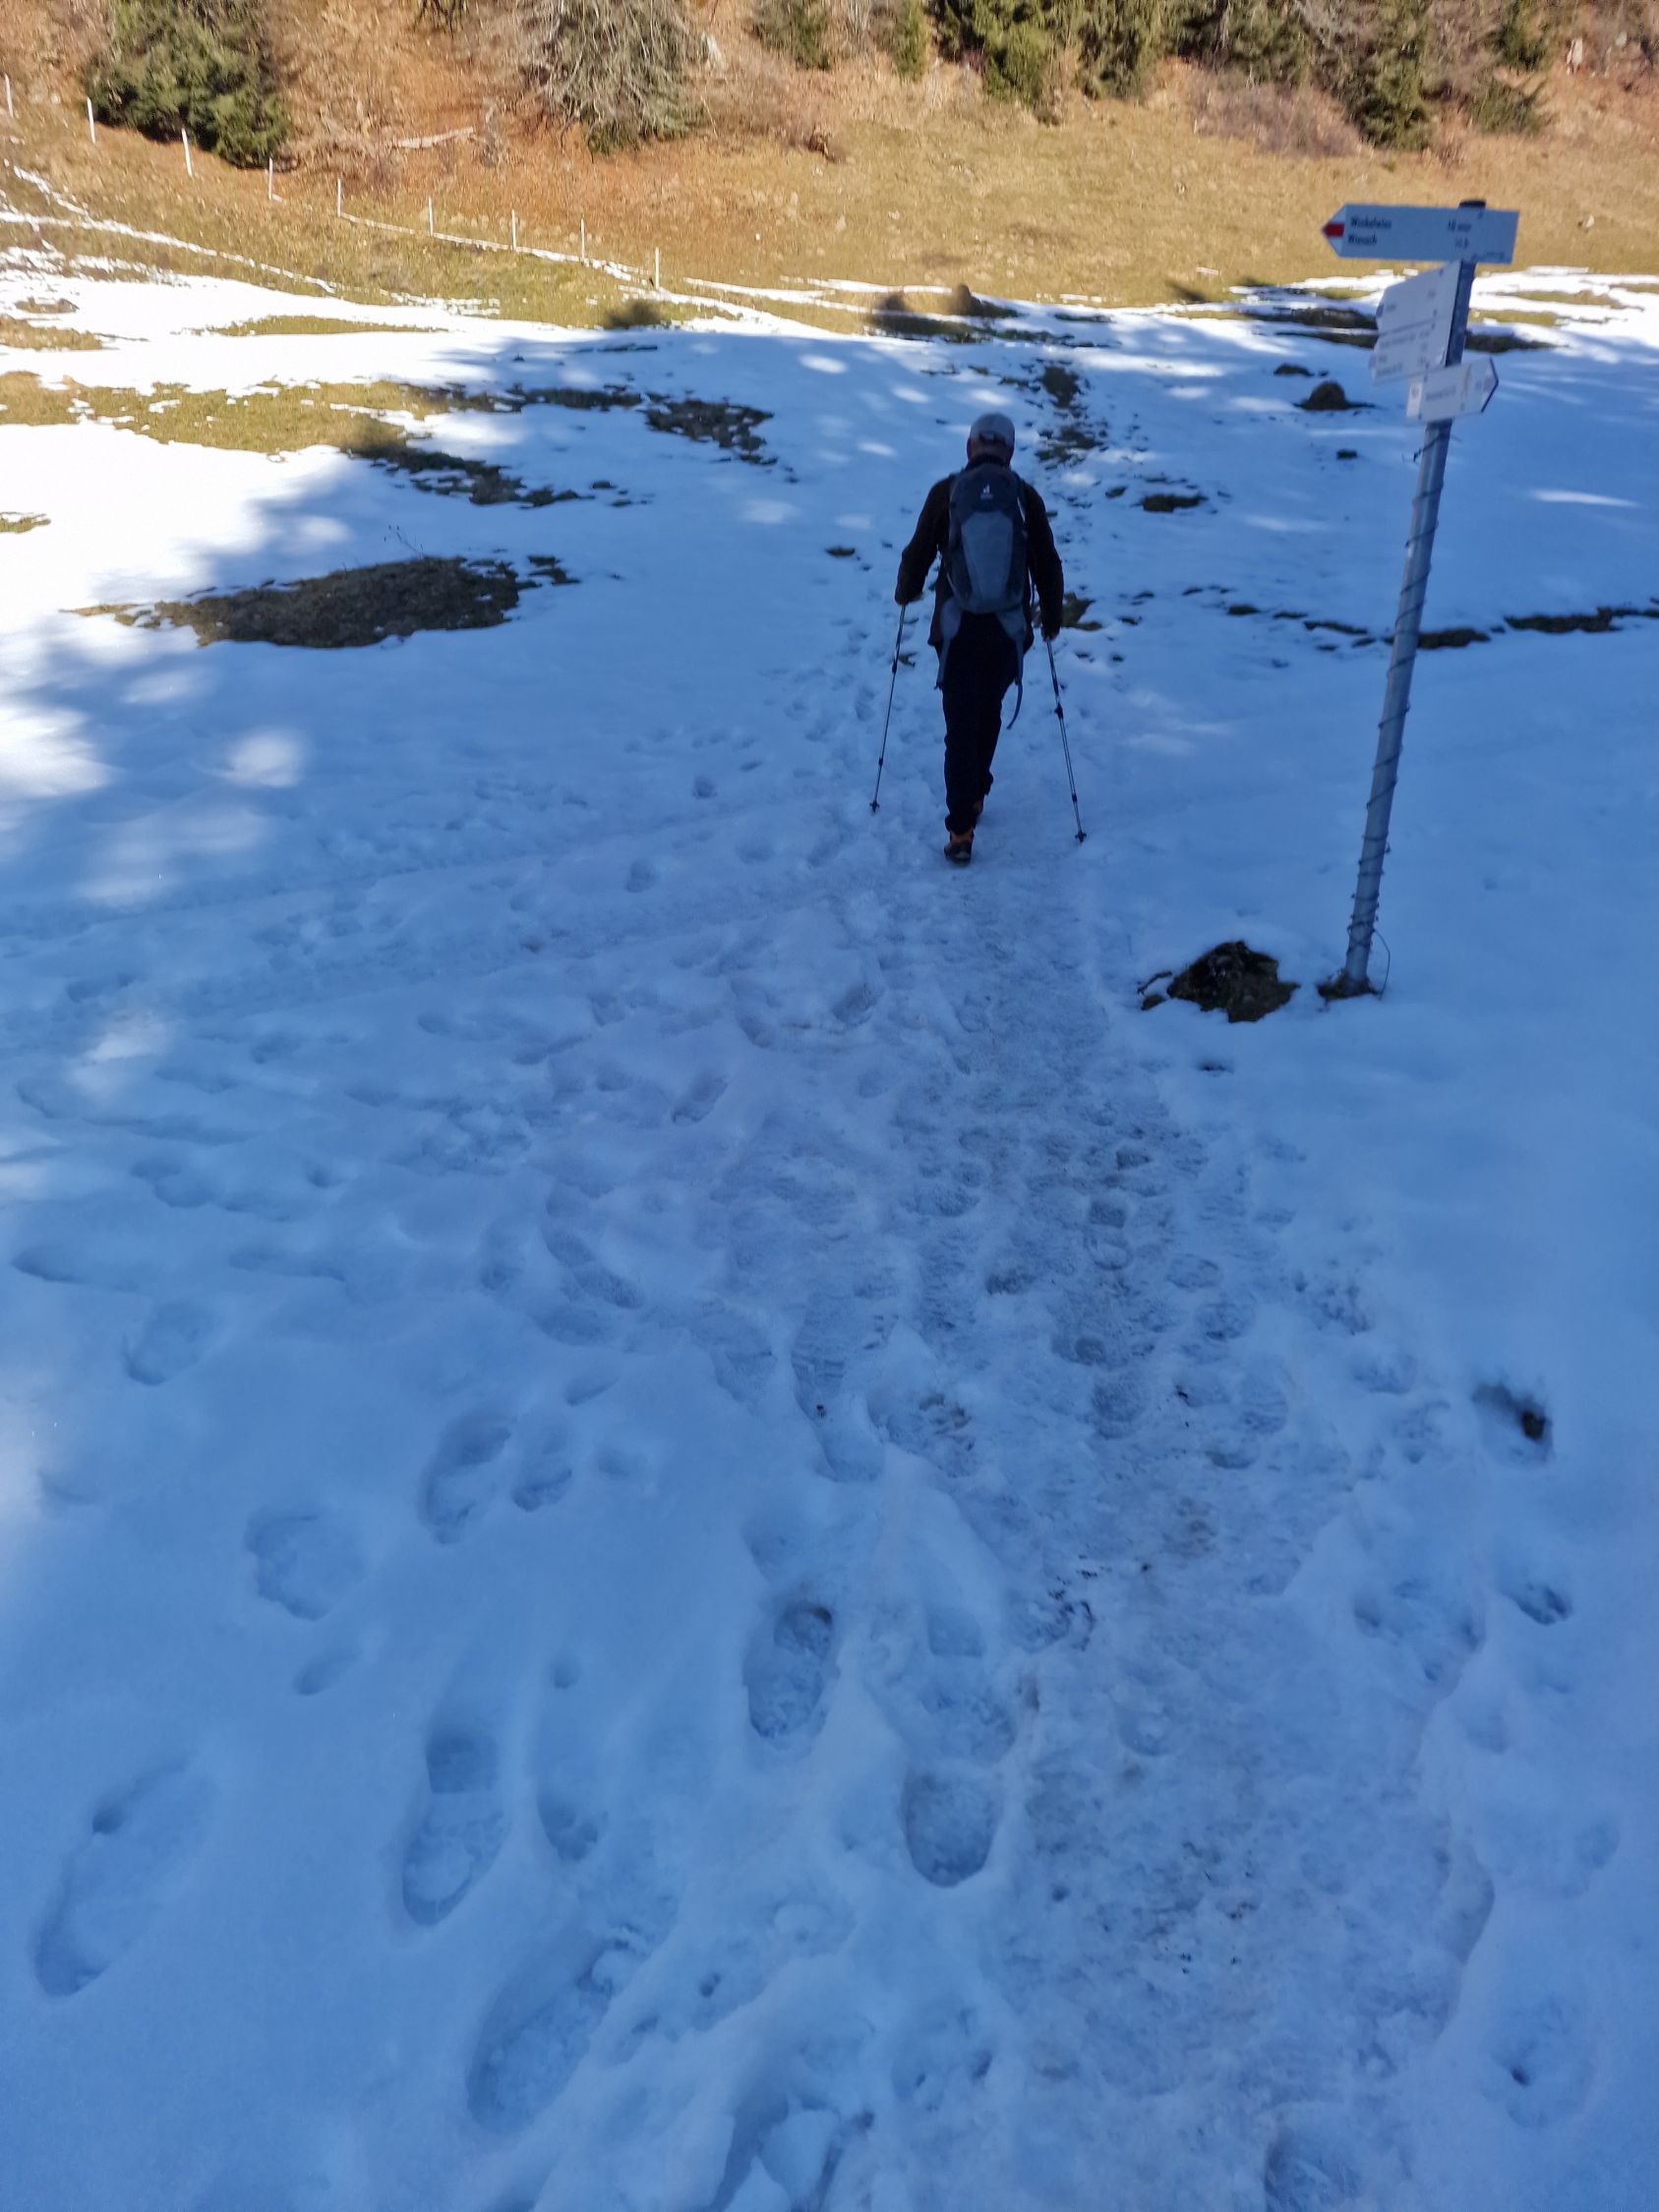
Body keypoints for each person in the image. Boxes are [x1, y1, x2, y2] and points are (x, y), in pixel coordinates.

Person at [894, 410, 1065, 864]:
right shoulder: (1024, 497)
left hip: (955, 628)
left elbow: (917, 553)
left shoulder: (946, 492)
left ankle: (960, 829)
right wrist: (1051, 617)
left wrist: (906, 591)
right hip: (1008, 630)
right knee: (988, 710)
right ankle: (976, 792)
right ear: (1010, 451)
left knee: (959, 723)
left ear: (970, 447)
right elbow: (1047, 562)